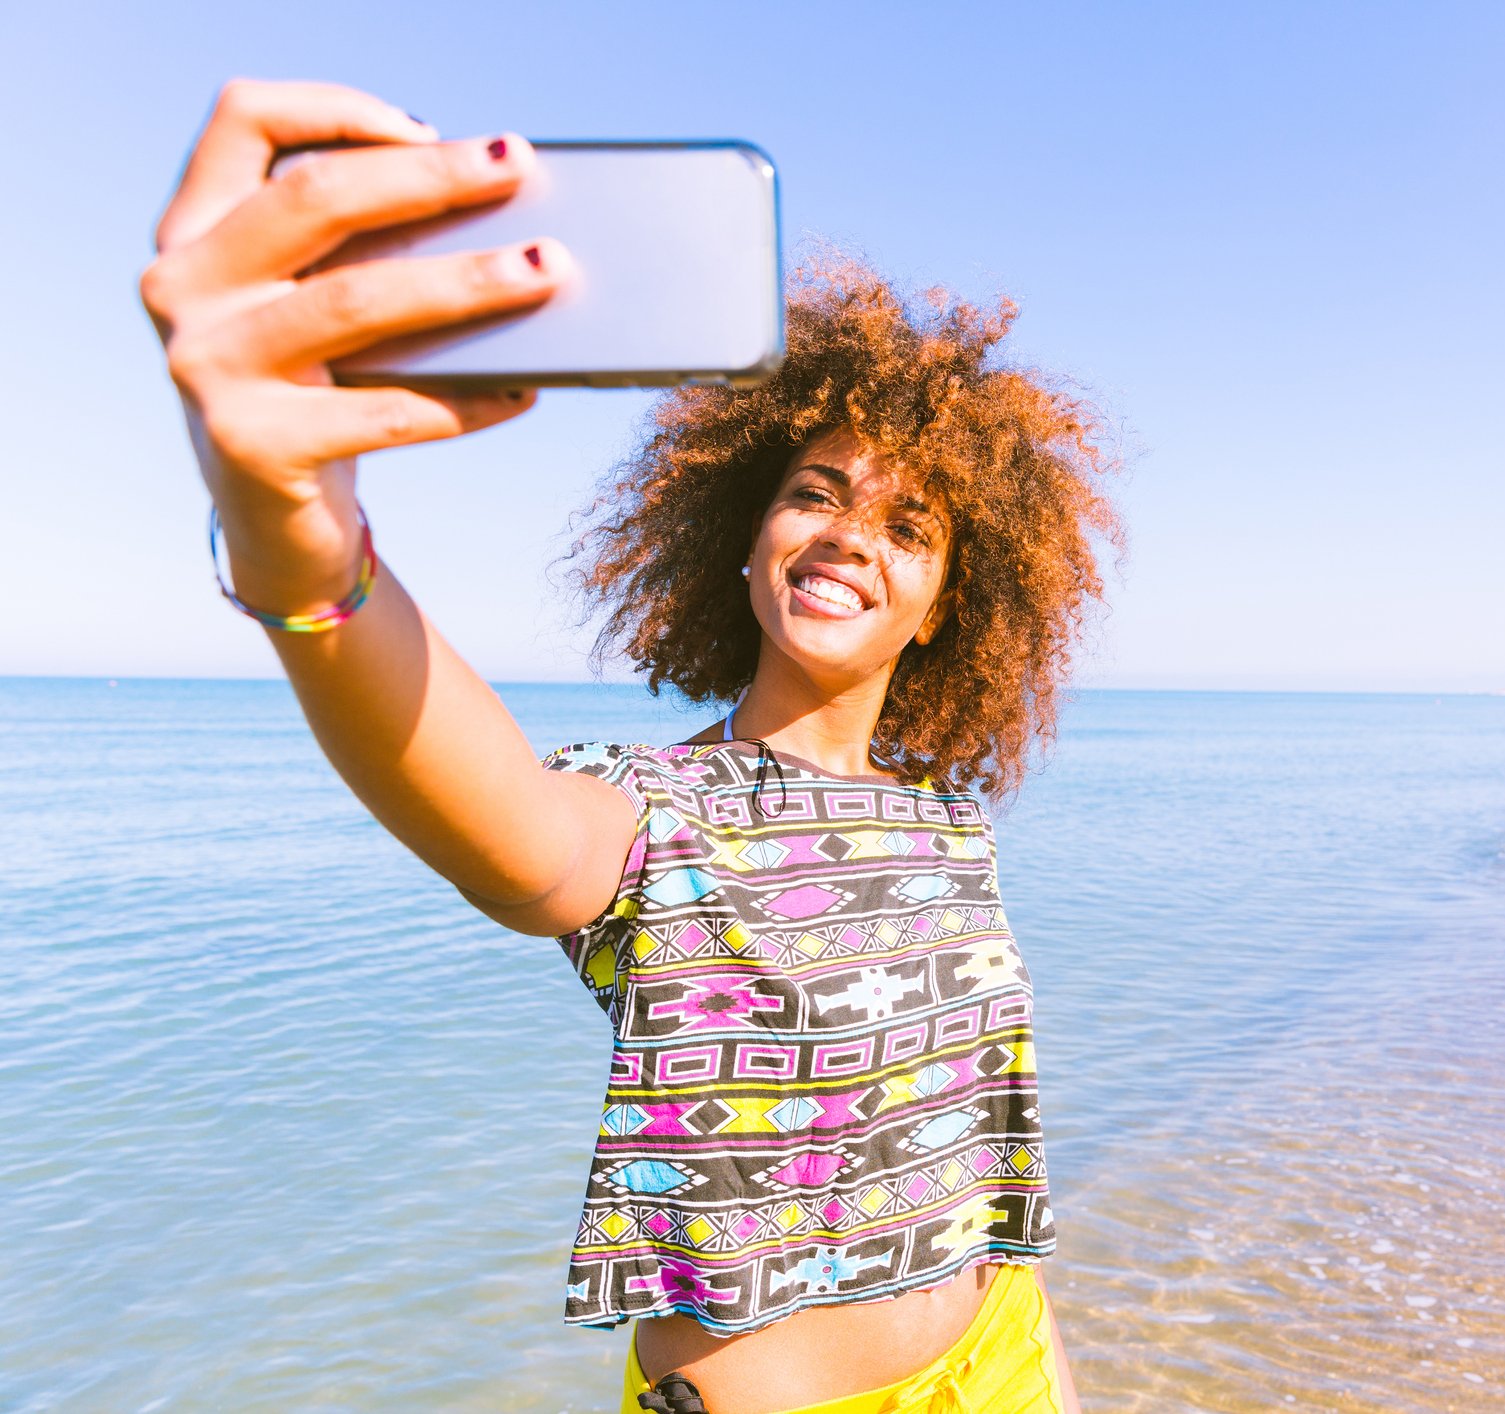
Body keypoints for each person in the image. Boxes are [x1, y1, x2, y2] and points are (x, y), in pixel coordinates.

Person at [140, 81, 1115, 1414]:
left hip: (1000, 1356)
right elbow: (509, 837)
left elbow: (981, 1172)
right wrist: (298, 541)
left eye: (906, 524)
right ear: (746, 538)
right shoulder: (657, 808)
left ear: (952, 601)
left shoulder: (947, 819)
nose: (844, 533)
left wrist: (1056, 1383)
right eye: (813, 495)